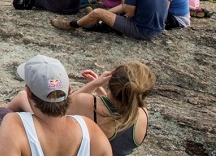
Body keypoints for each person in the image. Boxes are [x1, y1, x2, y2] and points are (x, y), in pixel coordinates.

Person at [0, 55, 111, 156]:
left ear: (28, 93)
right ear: (69, 90)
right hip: (25, 128)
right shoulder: (90, 131)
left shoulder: (13, 122)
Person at [8, 62, 155, 156]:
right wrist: (99, 90)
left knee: (22, 97)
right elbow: (117, 111)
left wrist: (95, 84)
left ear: (110, 81)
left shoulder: (89, 104)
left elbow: (60, 104)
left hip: (62, 145)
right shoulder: (142, 114)